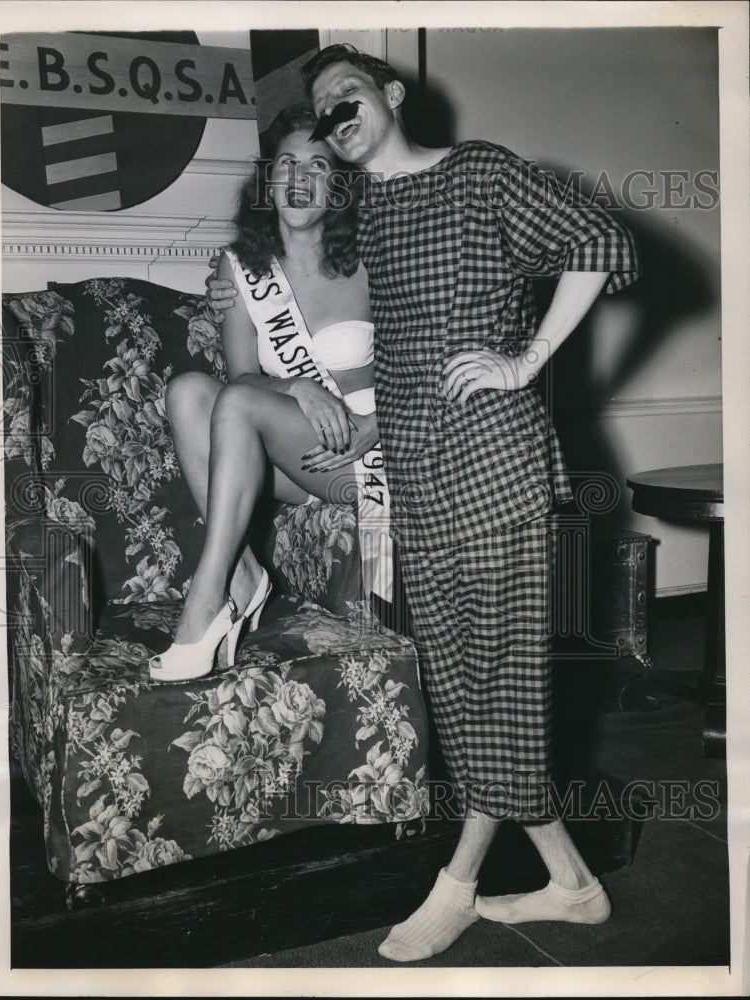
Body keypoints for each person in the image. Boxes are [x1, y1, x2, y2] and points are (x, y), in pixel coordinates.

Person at [207, 44, 640, 962]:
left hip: (494, 467)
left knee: (500, 681)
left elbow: (602, 242)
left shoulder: (475, 172)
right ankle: (571, 882)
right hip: (412, 479)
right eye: (319, 114)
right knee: (457, 684)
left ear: (392, 94)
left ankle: (457, 882)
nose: (334, 118)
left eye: (347, 97)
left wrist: (525, 361)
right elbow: (298, 304)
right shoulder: (363, 216)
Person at [149, 103, 389, 684]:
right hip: (294, 457)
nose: (300, 178)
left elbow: (423, 366)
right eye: (287, 163)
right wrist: (299, 387)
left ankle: (205, 606)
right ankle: (245, 576)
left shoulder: (373, 263)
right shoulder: (240, 271)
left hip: (368, 453)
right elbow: (243, 377)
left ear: (337, 190)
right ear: (268, 181)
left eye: (319, 166)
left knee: (234, 403)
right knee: (188, 391)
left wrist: (374, 425)